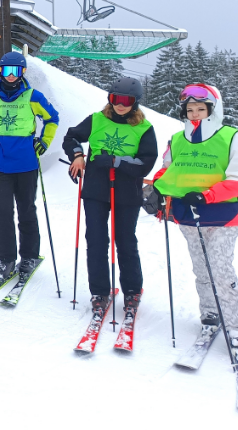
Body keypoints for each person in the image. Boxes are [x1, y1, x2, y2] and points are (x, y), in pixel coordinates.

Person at [152, 83, 238, 351]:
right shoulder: (176, 139)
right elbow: (167, 170)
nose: (194, 114)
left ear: (213, 109)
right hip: (188, 214)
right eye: (189, 109)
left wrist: (208, 194)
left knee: (221, 271)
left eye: (200, 108)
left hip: (222, 215)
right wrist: (156, 190)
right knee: (201, 270)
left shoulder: (231, 137)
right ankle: (210, 312)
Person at [0, 51, 59, 285]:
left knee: (26, 209)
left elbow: (52, 118)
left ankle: (28, 257)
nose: (11, 76)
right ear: (1, 72)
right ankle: (6, 258)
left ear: (23, 72)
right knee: (3, 211)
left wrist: (44, 142)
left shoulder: (33, 97)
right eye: (7, 71)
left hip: (26, 163)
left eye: (16, 71)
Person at [62, 77, 157, 313]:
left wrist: (116, 161)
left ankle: (133, 291)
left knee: (125, 241)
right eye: (115, 99)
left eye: (127, 100)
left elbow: (145, 163)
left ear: (135, 103)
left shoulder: (144, 128)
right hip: (95, 189)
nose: (120, 104)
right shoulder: (97, 120)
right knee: (96, 241)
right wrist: (77, 155)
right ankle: (99, 292)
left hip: (126, 191)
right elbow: (71, 136)